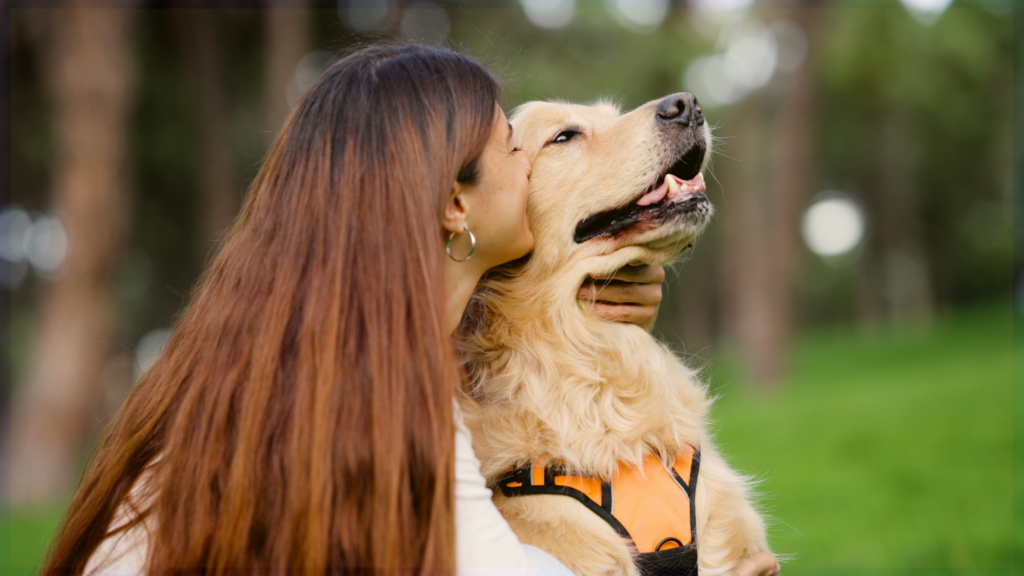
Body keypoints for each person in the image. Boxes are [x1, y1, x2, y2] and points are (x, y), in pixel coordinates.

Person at [43, 44, 777, 576]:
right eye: (527, 144)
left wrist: (597, 291)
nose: (525, 163)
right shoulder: (380, 390)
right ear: (455, 204)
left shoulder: (297, 344)